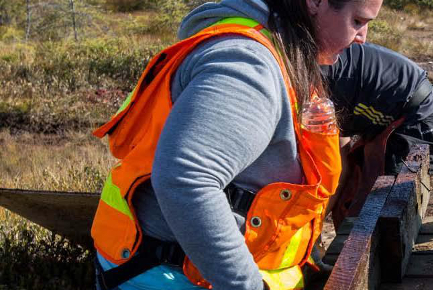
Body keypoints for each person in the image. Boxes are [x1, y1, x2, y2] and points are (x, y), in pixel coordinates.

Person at [89, 0, 382, 289]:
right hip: (175, 275)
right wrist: (245, 285)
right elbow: (186, 180)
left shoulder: (282, 50)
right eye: (357, 21)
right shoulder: (248, 67)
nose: (362, 38)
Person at [322, 42, 433, 177]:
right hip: (397, 120)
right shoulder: (319, 59)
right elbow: (338, 139)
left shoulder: (319, 70)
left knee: (387, 191)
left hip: (422, 128)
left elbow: (332, 145)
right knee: (356, 177)